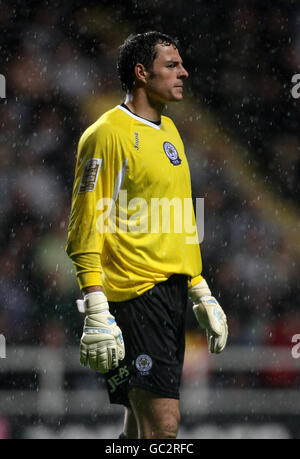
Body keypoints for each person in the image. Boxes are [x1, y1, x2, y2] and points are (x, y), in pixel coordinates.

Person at [66, 31, 228, 439]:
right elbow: (85, 224)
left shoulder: (170, 132)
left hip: (169, 296)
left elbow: (179, 220)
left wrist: (198, 287)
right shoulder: (106, 135)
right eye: (171, 65)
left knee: (139, 430)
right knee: (164, 427)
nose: (184, 72)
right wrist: (96, 304)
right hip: (134, 298)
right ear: (141, 72)